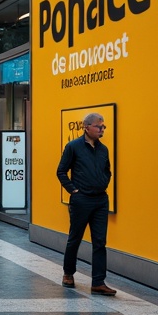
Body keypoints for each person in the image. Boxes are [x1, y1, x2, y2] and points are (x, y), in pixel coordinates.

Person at [57, 112, 116, 295]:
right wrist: (73, 190)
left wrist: (104, 182)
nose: (102, 129)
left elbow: (108, 171)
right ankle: (68, 274)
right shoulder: (73, 147)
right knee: (75, 238)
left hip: (100, 200)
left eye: (103, 126)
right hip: (81, 200)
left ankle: (98, 282)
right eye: (99, 126)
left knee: (100, 242)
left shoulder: (103, 149)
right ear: (87, 127)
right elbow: (61, 172)